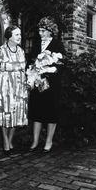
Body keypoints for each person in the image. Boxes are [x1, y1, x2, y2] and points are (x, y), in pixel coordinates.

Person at [28, 16, 65, 152]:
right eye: (40, 31)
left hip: (52, 84)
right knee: (36, 111)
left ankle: (48, 142)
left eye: (43, 31)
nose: (40, 33)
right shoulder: (37, 44)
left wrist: (51, 68)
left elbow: (62, 63)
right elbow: (31, 60)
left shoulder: (57, 44)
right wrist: (33, 71)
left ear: (50, 31)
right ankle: (35, 141)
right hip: (38, 82)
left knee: (51, 112)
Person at [0, 25, 28, 155]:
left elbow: (23, 67)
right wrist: (16, 66)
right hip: (5, 86)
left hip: (19, 86)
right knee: (5, 112)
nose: (20, 37)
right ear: (9, 37)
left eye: (20, 34)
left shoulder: (21, 51)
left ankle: (10, 140)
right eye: (17, 34)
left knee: (16, 112)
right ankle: (5, 141)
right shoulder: (1, 50)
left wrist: (12, 67)